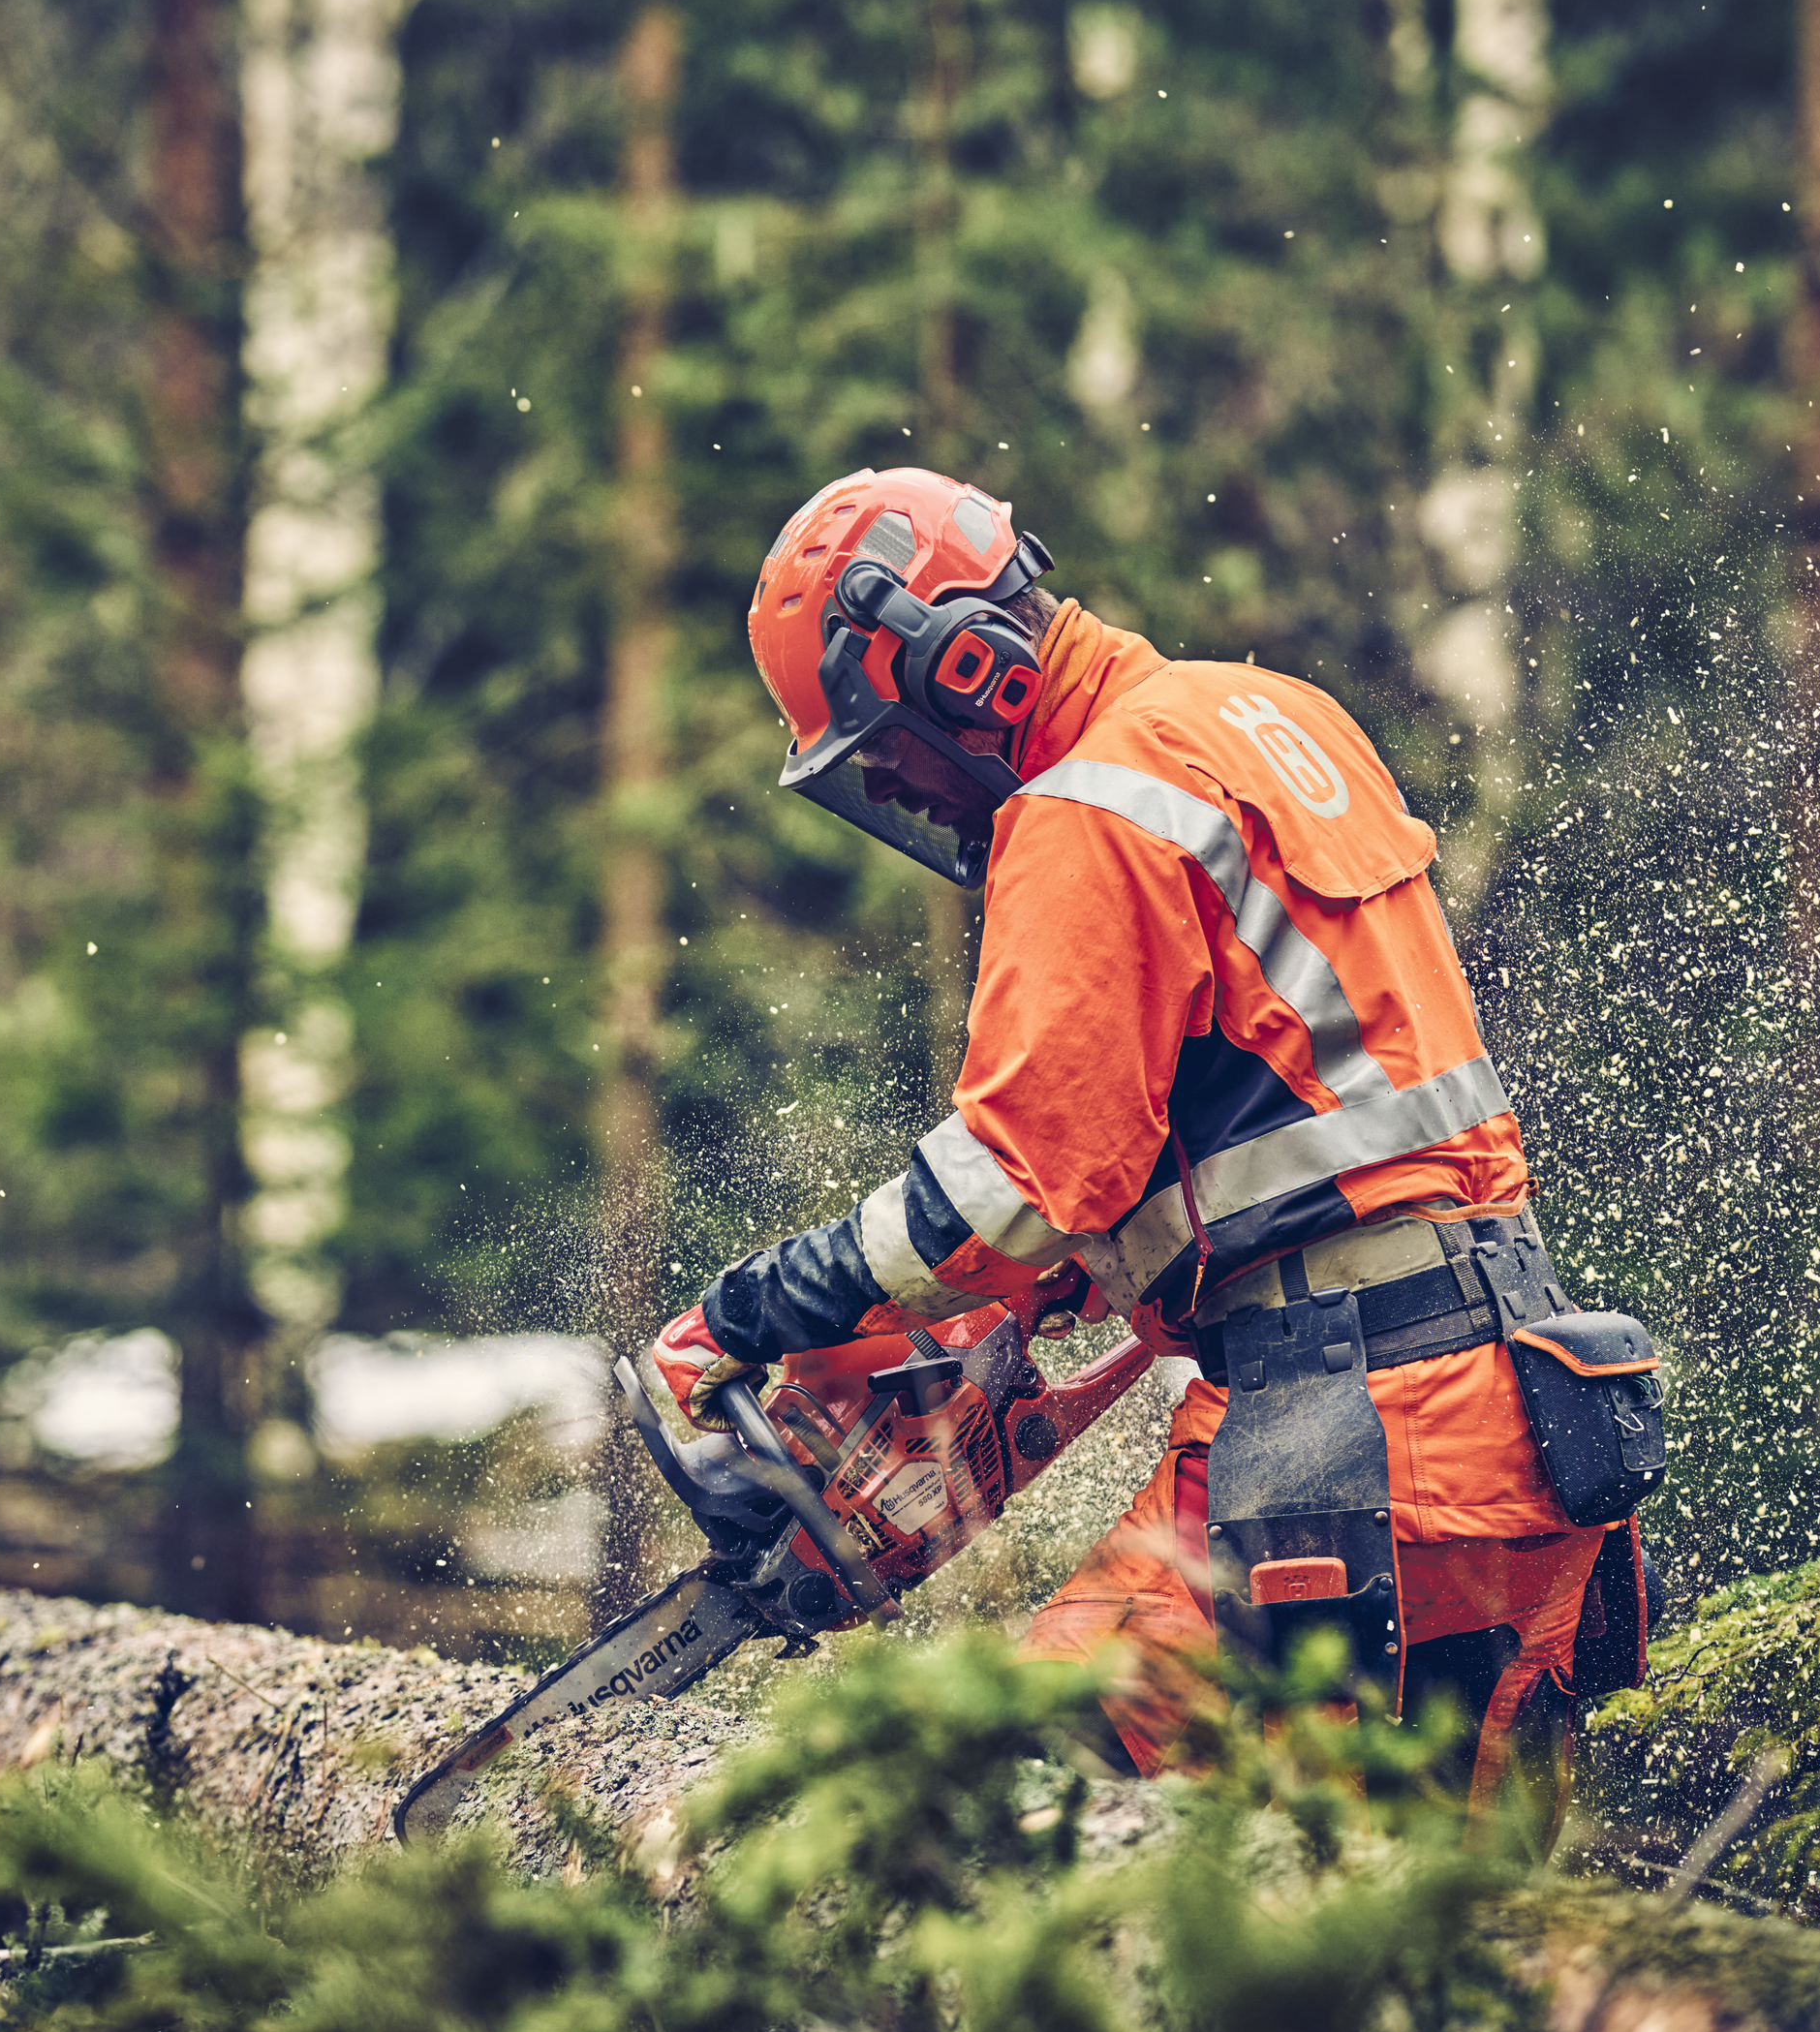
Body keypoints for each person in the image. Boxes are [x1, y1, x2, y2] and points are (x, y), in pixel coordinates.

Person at [649, 466, 1650, 1802]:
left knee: (1027, 1813)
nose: (912, 794)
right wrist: (1014, 1326)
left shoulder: (1089, 805)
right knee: (1447, 1924)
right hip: (1517, 1400)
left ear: (964, 669)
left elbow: (999, 1200)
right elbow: (1284, 1101)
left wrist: (747, 1312)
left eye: (890, 752)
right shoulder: (1265, 713)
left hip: (1351, 1432)